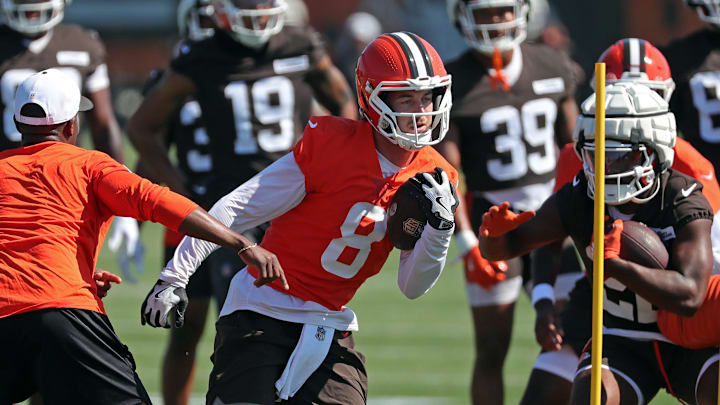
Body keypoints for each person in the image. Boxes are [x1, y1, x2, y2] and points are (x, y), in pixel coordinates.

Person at [141, 32, 458, 404]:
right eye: (405, 97)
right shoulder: (330, 146)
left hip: (331, 325)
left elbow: (412, 286)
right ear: (374, 97)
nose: (421, 111)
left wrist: (440, 230)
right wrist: (175, 275)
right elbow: (238, 207)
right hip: (261, 311)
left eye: (427, 97)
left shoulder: (436, 176)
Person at [0, 68, 286, 404]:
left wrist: (82, 275)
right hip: (63, 311)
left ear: (18, 124)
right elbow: (161, 202)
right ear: (71, 125)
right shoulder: (91, 166)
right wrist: (241, 242)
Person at [127, 1, 356, 403]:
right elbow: (143, 127)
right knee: (239, 323)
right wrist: (182, 192)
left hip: (299, 203)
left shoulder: (300, 43)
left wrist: (337, 169)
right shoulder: (203, 56)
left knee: (311, 312)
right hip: (237, 208)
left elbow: (344, 106)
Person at [480, 81, 719, 405]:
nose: (607, 168)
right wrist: (493, 237)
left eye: (622, 157)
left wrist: (618, 265)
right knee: (594, 398)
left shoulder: (681, 198)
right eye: (598, 155)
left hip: (689, 336)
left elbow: (690, 296)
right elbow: (507, 249)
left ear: (655, 150)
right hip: (620, 340)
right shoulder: (579, 198)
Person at [438, 1, 579, 404]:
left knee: (570, 334)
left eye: (503, 10)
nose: (496, 20)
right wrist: (467, 243)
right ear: (461, 15)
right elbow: (446, 174)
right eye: (485, 11)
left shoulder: (551, 63)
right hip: (494, 229)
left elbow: (574, 154)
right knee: (491, 350)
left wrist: (580, 219)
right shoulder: (454, 81)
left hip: (554, 223)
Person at [0, 0, 142, 283]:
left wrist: (123, 205)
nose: (31, 8)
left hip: (64, 180)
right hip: (8, 178)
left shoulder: (83, 43)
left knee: (62, 265)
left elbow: (103, 123)